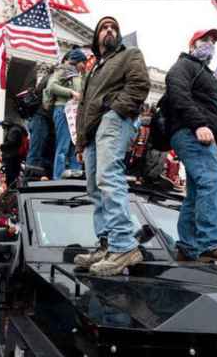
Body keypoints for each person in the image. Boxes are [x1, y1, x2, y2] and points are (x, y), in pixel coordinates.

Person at [164, 29, 217, 263]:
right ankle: (211, 243)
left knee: (195, 193)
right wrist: (198, 124)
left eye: (213, 41)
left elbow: (215, 112)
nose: (210, 44)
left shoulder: (207, 75)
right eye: (205, 40)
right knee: (212, 179)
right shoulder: (184, 65)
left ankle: (188, 247)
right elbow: (177, 93)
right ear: (192, 44)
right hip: (190, 132)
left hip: (204, 133)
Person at [73, 16, 151, 276]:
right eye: (104, 27)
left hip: (113, 121)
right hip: (92, 133)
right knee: (94, 188)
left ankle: (123, 245)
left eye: (113, 27)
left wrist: (115, 112)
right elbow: (83, 107)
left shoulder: (129, 54)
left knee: (109, 177)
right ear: (96, 37)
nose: (109, 30)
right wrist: (80, 143)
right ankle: (107, 245)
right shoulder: (94, 69)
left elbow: (140, 85)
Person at [44, 48, 87, 180]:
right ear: (77, 61)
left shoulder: (78, 75)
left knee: (75, 146)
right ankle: (58, 178)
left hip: (74, 113)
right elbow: (52, 86)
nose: (84, 65)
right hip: (62, 109)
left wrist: (84, 75)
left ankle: (75, 176)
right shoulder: (63, 69)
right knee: (63, 145)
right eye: (83, 62)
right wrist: (71, 92)